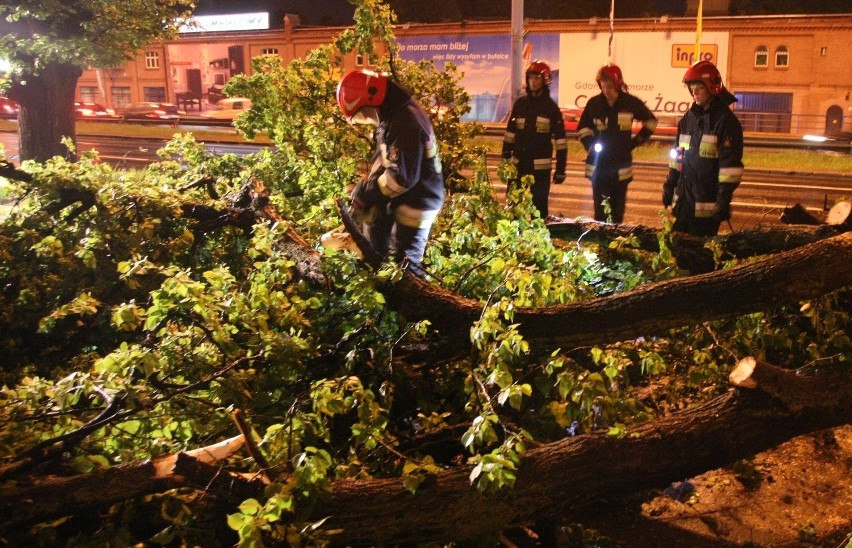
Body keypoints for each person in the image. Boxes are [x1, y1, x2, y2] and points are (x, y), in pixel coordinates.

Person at [335, 69, 445, 273]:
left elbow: (399, 179)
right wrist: (364, 192)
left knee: (404, 266)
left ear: (372, 100)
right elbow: (386, 162)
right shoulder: (392, 114)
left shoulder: (405, 122)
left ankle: (416, 302)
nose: (366, 119)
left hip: (418, 201)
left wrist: (366, 194)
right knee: (380, 251)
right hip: (409, 195)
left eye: (364, 115)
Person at [663, 60, 744, 237]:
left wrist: (723, 199)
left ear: (711, 87)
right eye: (691, 87)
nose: (694, 91)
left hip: (706, 210)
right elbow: (677, 155)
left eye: (698, 86)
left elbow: (729, 166)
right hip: (683, 204)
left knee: (700, 259)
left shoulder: (725, 122)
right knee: (677, 253)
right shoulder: (688, 119)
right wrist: (670, 185)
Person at [577, 64, 657, 223]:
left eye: (610, 86)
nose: (606, 90)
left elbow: (651, 121)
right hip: (599, 168)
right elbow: (583, 128)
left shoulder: (630, 103)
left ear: (618, 84)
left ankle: (615, 244)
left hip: (621, 168)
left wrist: (636, 142)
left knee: (617, 213)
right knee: (601, 213)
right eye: (603, 86)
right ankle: (601, 244)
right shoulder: (594, 104)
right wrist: (590, 144)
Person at [501, 60, 567, 219]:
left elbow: (561, 142)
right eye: (530, 78)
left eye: (537, 78)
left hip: (540, 168)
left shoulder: (551, 108)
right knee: (512, 204)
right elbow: (510, 133)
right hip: (519, 164)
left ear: (545, 81)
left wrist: (560, 169)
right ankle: (512, 239)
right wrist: (505, 159)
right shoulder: (520, 105)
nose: (533, 82)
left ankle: (538, 240)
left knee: (539, 208)